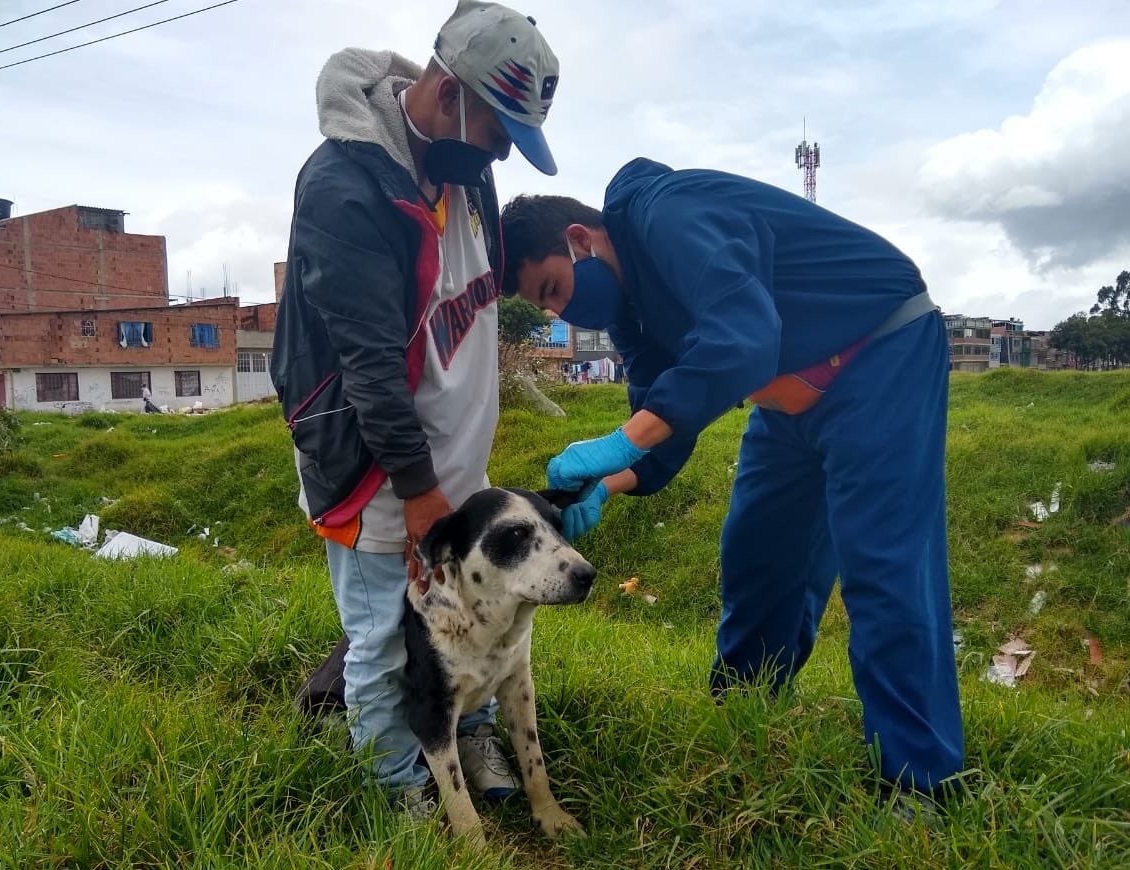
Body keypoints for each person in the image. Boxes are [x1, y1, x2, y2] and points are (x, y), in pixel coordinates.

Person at [499, 158, 964, 809]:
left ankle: (920, 783)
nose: (562, 310)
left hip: (879, 358)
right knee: (757, 553)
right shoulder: (631, 314)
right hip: (787, 400)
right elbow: (666, 419)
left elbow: (744, 338)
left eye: (551, 288)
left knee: (885, 569)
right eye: (546, 304)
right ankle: (749, 711)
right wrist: (610, 486)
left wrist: (618, 442)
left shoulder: (669, 213)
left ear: (580, 239)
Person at [270, 0, 561, 813]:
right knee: (383, 638)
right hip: (376, 472)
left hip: (453, 466)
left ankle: (464, 736)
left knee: (460, 619)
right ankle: (398, 787)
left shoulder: (465, 173)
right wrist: (421, 491)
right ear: (447, 93)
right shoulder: (345, 188)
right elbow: (367, 367)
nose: (500, 153)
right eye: (498, 132)